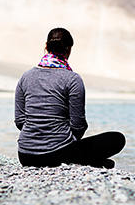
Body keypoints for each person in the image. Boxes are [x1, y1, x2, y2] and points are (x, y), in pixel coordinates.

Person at [15, 27, 125, 168]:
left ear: (46, 46)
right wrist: (61, 141)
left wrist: (37, 138)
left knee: (94, 157)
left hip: (25, 156)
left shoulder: (26, 77)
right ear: (68, 49)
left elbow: (20, 121)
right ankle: (85, 162)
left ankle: (87, 162)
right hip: (56, 154)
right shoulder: (72, 79)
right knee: (117, 139)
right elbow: (78, 125)